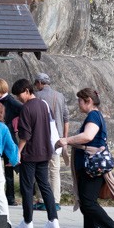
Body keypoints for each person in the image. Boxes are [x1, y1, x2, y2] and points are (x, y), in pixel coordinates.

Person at [56, 88, 114, 228]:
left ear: (89, 101)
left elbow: (88, 136)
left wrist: (67, 140)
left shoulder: (93, 116)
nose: (78, 103)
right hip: (90, 165)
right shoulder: (94, 116)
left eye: (80, 100)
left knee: (88, 203)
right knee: (87, 204)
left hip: (92, 166)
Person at [10, 78, 59, 228]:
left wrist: (18, 151)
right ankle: (53, 220)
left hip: (30, 153)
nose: (19, 98)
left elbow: (25, 135)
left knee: (27, 187)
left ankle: (28, 222)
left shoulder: (26, 108)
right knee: (45, 186)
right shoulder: (44, 105)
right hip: (45, 151)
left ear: (26, 91)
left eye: (19, 95)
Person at [33, 72, 69, 211]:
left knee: (41, 170)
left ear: (40, 83)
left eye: (36, 83)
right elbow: (66, 118)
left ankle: (42, 200)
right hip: (58, 139)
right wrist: (64, 137)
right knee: (55, 170)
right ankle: (56, 201)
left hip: (41, 138)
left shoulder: (37, 96)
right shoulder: (60, 96)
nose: (36, 86)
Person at [0, 78, 22, 207]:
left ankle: (12, 197)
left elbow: (23, 111)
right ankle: (4, 196)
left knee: (11, 167)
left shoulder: (11, 101)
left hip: (8, 136)